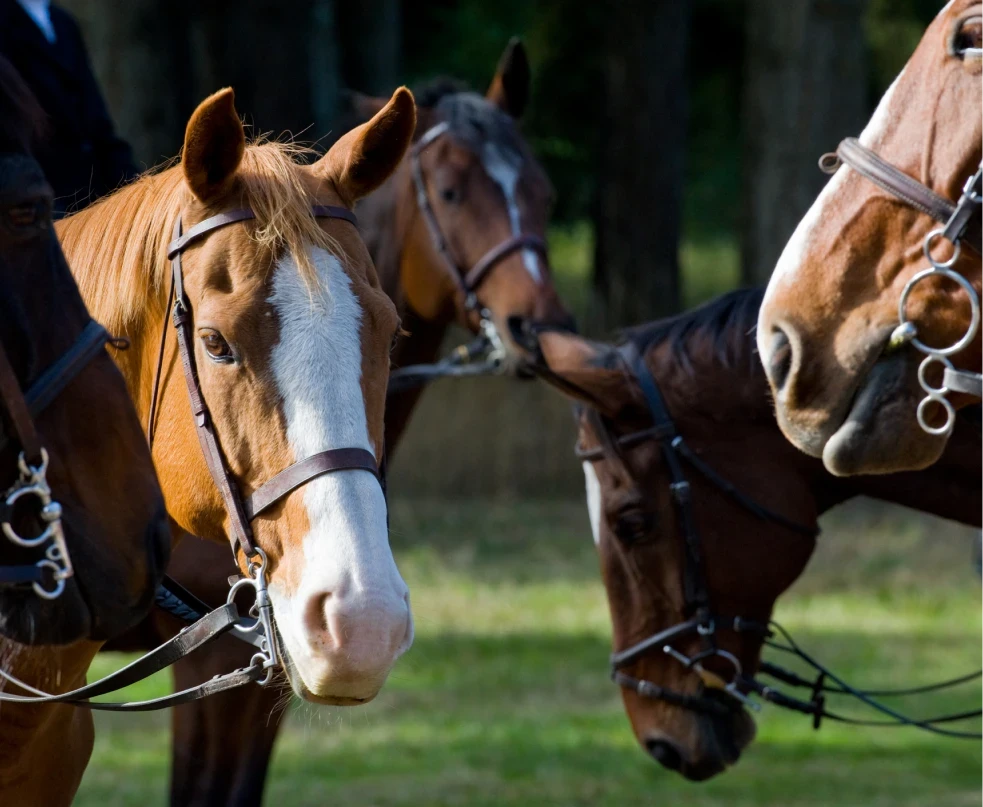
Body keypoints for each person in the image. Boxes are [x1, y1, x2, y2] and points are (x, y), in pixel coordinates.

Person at [0, 0, 139, 215]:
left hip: (93, 192)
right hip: (45, 202)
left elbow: (96, 120)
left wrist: (135, 187)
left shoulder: (63, 22)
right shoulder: (4, 20)